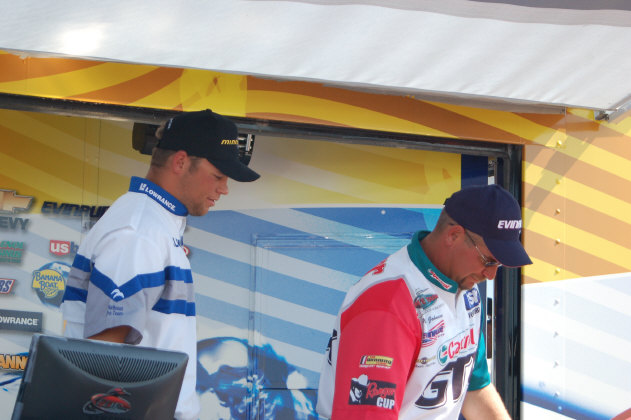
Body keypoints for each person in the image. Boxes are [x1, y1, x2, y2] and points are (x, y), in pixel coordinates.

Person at [61, 109, 260, 420]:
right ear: (180, 162)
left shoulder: (153, 225)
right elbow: (103, 359)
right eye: (219, 175)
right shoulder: (140, 232)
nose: (224, 189)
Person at [316, 184, 532, 420]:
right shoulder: (388, 304)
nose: (490, 275)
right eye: (488, 260)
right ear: (454, 235)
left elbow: (474, 388)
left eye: (498, 264)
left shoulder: (465, 288)